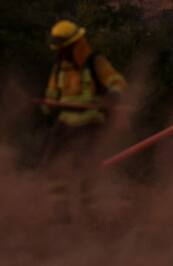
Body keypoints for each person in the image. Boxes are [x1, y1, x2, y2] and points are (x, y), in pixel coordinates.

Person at [42, 20, 126, 221]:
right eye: (58, 49)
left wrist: (113, 95)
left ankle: (90, 211)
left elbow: (117, 81)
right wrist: (48, 106)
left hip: (90, 123)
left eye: (64, 48)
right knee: (52, 162)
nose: (60, 53)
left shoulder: (95, 62)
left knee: (86, 168)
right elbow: (51, 95)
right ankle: (60, 209)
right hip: (65, 123)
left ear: (75, 44)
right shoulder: (59, 68)